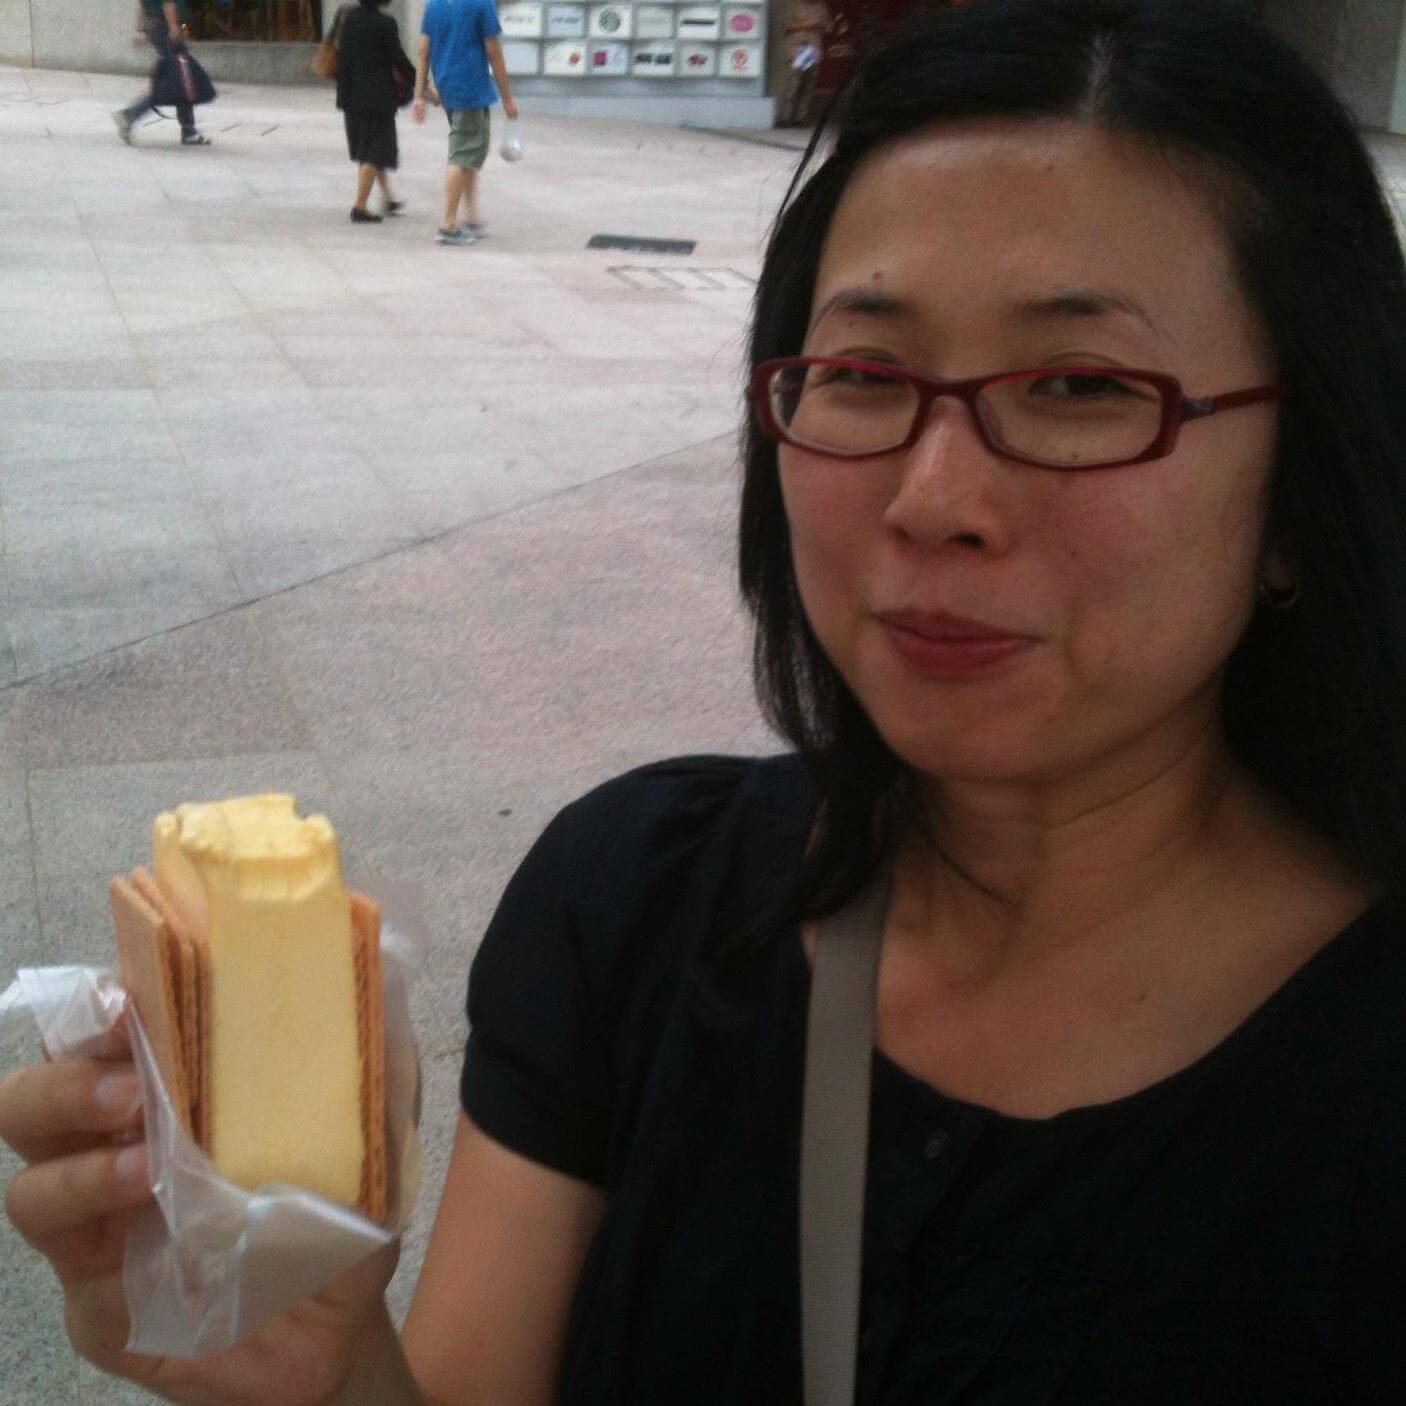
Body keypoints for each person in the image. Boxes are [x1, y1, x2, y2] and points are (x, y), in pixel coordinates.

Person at [9, 0, 1406, 1399]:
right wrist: (314, 1359)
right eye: (862, 373)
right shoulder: (631, 908)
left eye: (1080, 386)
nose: (934, 499)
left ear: (1304, 476)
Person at [411, 0, 518, 247]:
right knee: (461, 155)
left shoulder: (434, 4)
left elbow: (423, 50)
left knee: (469, 151)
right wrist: (508, 99)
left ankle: (472, 217)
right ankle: (448, 226)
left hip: (448, 88)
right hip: (471, 88)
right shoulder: (481, 3)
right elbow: (494, 51)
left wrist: (419, 95)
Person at [335, 0, 415, 224]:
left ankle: (389, 199)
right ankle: (359, 207)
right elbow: (398, 58)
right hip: (378, 98)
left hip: (351, 96)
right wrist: (419, 82)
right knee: (375, 150)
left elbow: (345, 59)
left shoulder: (349, 21)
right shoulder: (385, 23)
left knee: (369, 148)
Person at [112, 0, 211, 147]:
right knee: (179, 79)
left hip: (156, 25)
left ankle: (188, 130)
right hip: (165, 27)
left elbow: (142, 5)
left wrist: (143, 30)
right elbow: (168, 2)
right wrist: (173, 28)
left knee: (181, 79)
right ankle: (131, 115)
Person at [777, 0, 831, 127]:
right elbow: (786, 26)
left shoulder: (821, 7)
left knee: (808, 85)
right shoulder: (795, 6)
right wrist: (807, 24)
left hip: (812, 48)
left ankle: (800, 118)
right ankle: (785, 117)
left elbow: (828, 26)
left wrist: (820, 26)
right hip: (798, 49)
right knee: (793, 84)